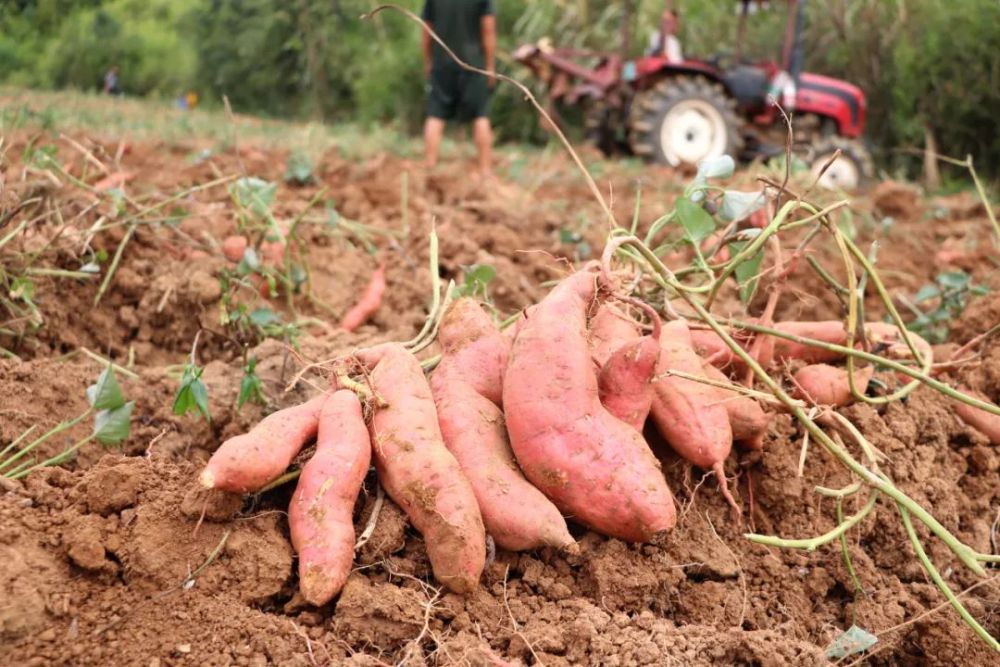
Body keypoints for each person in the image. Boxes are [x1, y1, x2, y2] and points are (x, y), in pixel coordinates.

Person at [420, 0, 496, 176]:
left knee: (436, 114)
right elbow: (488, 32)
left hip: (442, 63)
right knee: (480, 115)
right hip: (474, 65)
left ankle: (430, 165)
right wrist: (490, 67)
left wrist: (428, 61)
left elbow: (426, 30)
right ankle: (485, 170)